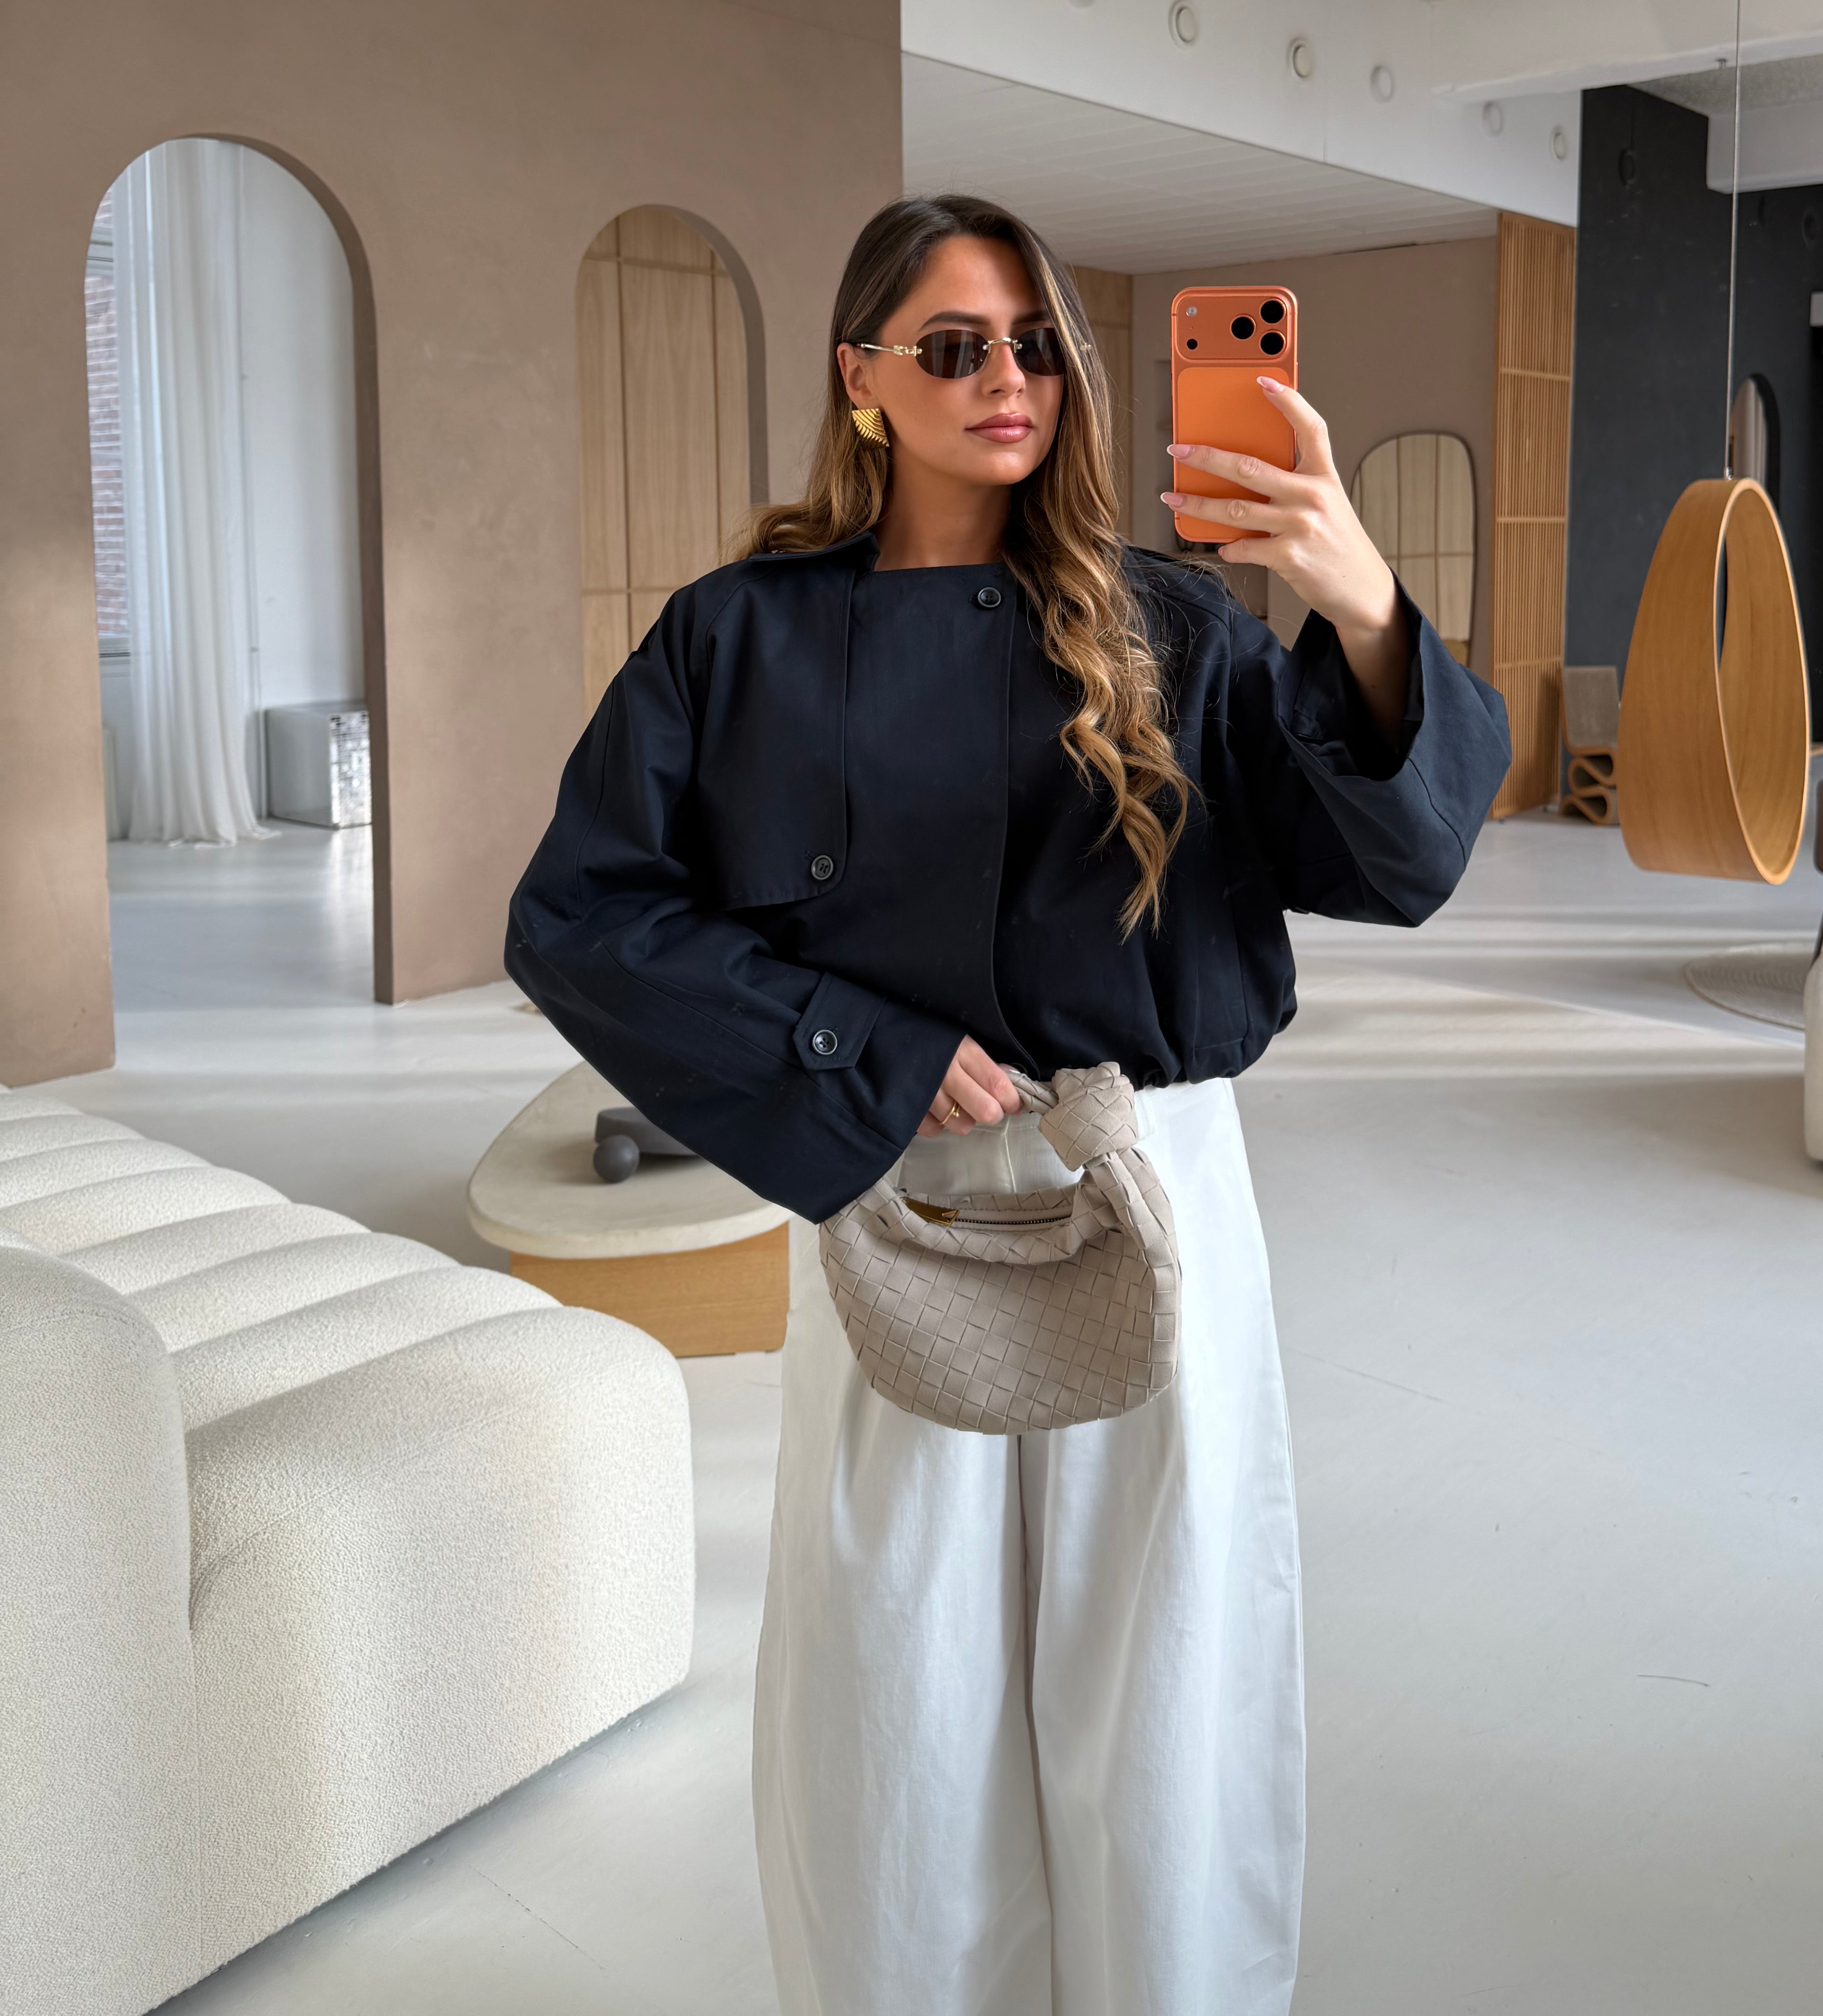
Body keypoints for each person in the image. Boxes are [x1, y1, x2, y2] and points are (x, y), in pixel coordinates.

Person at [506, 196, 1510, 2016]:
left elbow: (1399, 860)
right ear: (862, 377)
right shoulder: (737, 639)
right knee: (896, 1680)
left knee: (1171, 1668)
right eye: (956, 347)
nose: (1009, 380)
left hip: (1155, 1180)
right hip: (900, 1196)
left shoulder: (1174, 623)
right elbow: (581, 919)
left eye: (1037, 344)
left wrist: (1356, 595)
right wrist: (859, 1053)